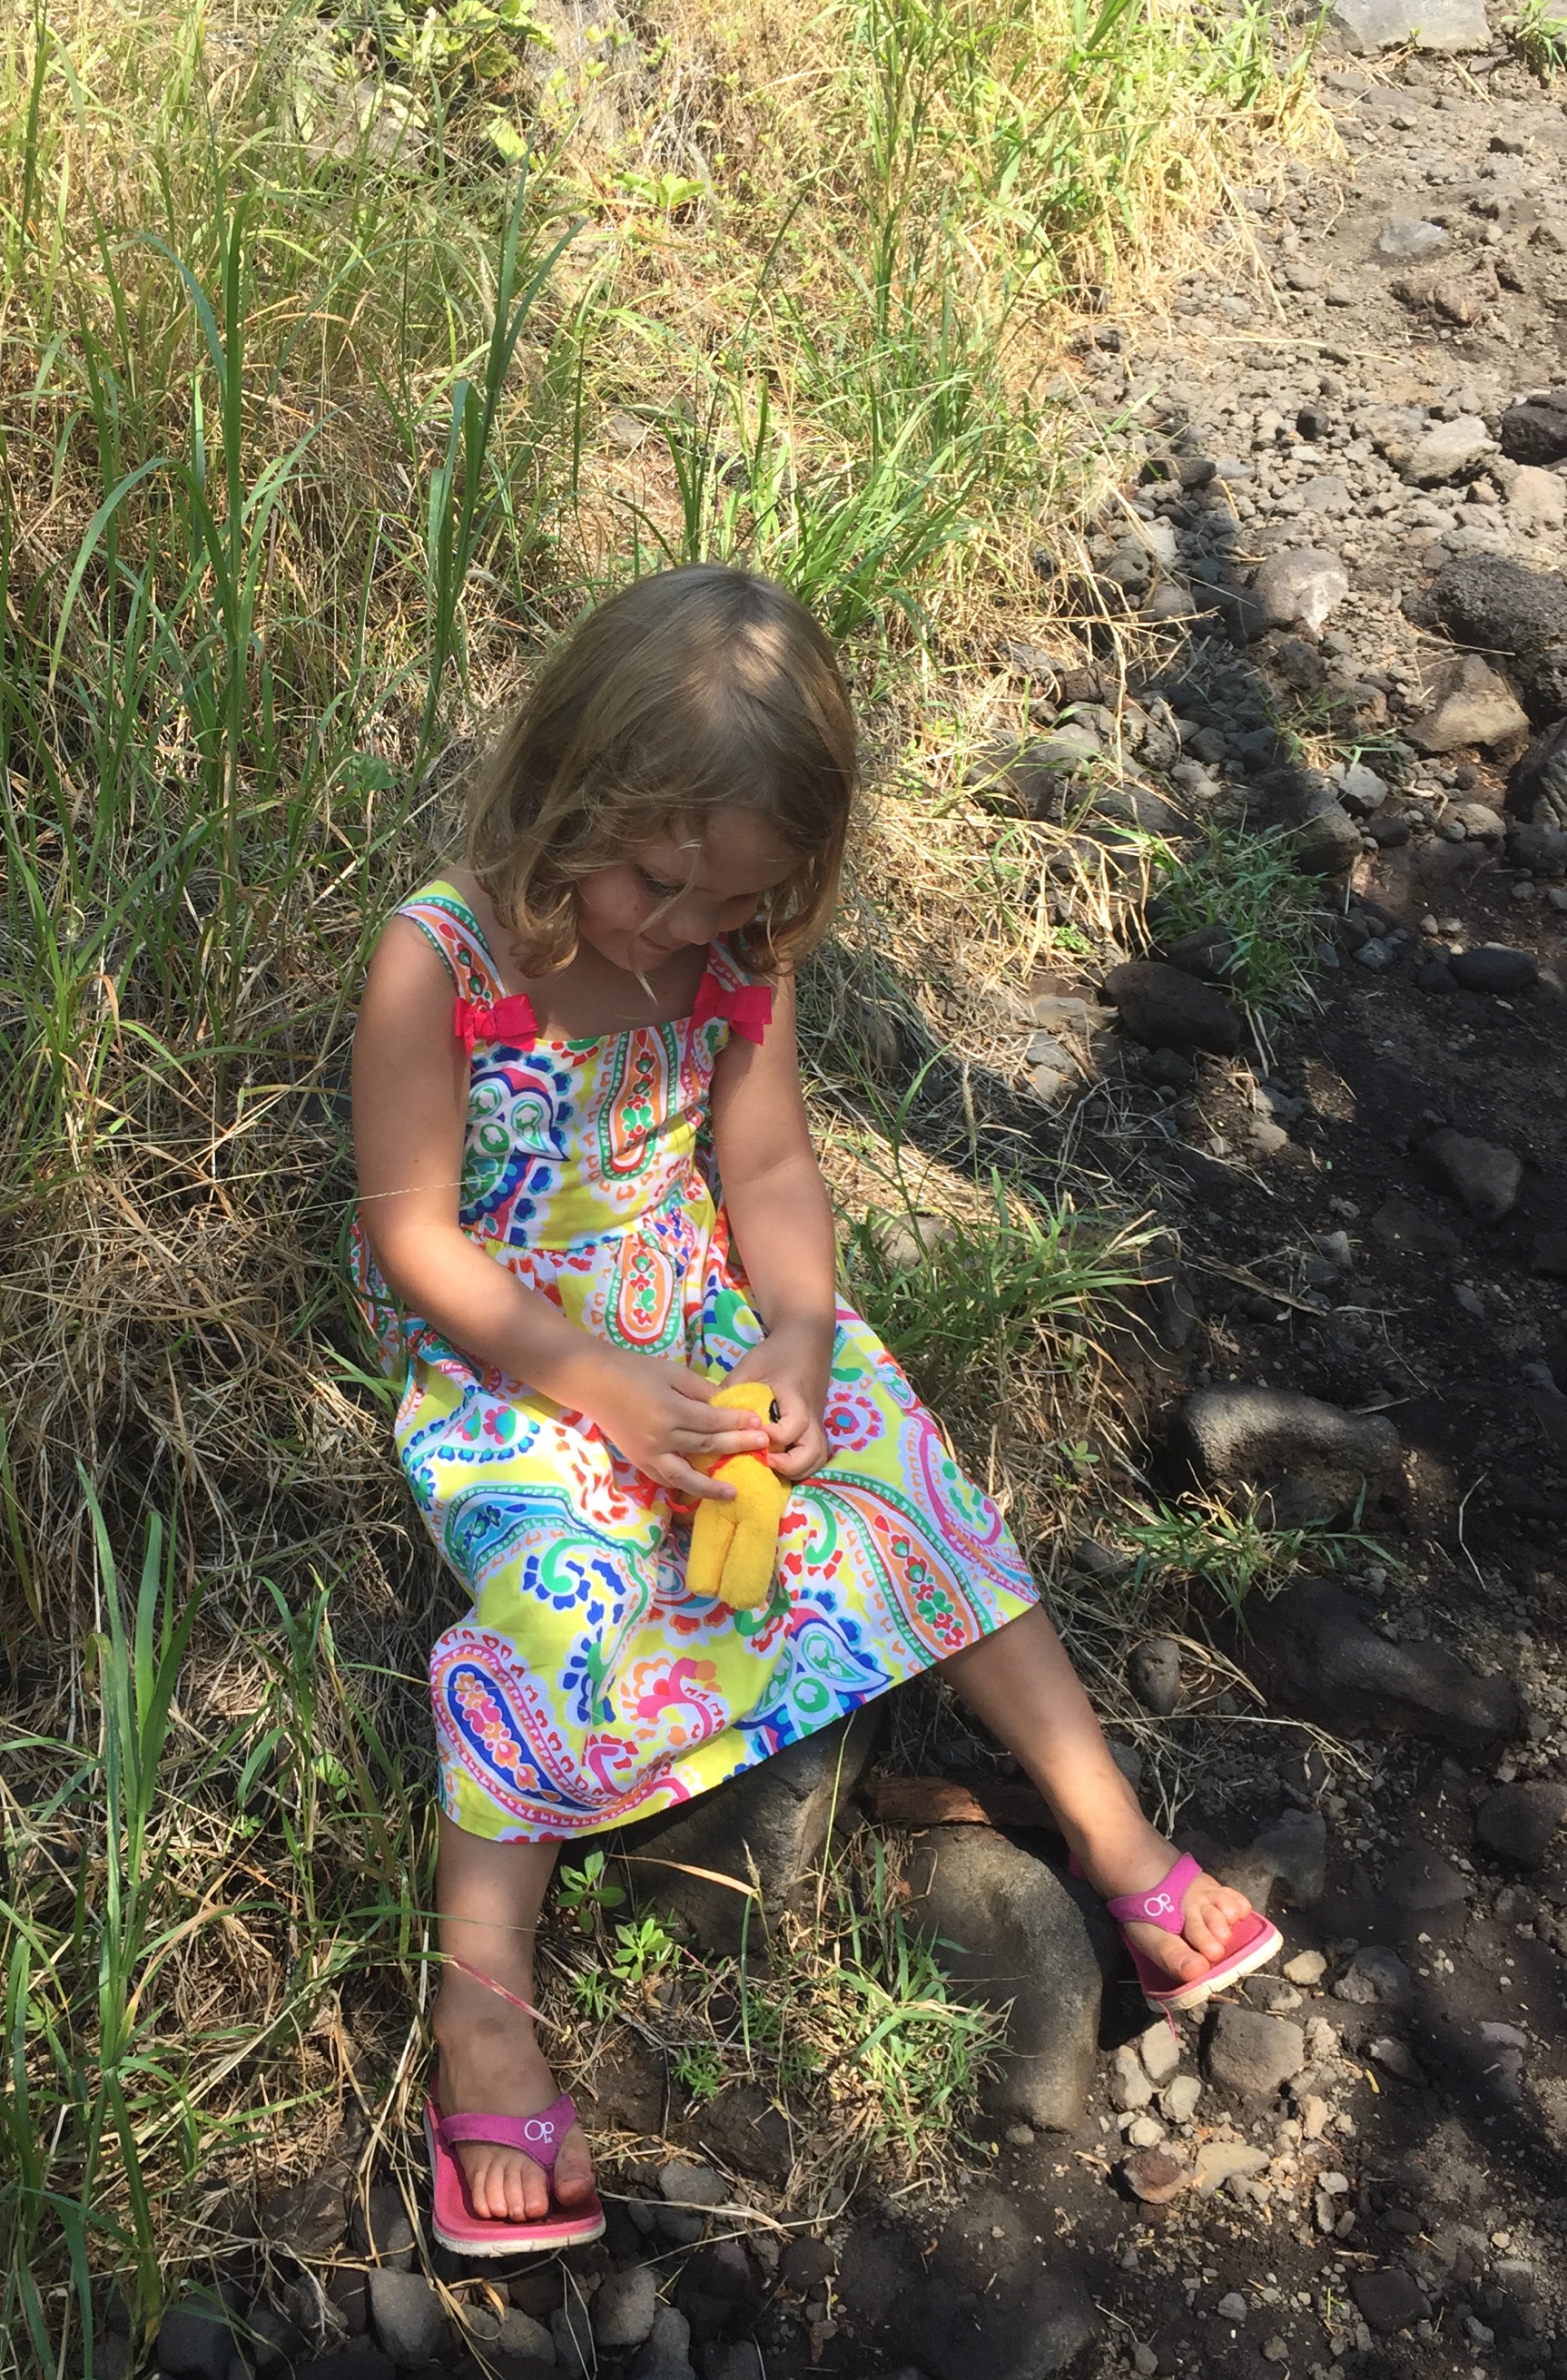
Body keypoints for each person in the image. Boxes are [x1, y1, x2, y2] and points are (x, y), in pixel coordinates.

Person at [350, 565, 1278, 2255]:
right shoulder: (442, 962)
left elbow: (767, 1169)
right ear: (563, 792)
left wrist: (790, 1332)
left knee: (903, 1472)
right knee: (555, 1594)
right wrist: (599, 1388)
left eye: (731, 899)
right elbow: (415, 1237)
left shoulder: (733, 956)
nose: (678, 927)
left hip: (702, 1311)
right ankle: (482, 2004)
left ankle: (1109, 1833)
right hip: (513, 1352)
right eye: (654, 881)